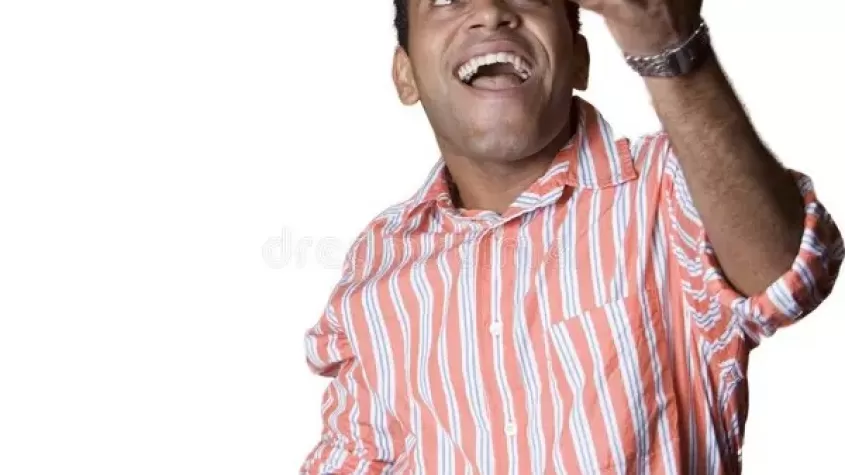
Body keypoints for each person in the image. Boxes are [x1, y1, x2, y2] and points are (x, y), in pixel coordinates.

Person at [300, 0, 842, 473]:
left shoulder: (668, 185)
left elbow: (787, 274)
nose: (491, 11)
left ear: (580, 59)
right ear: (406, 75)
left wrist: (672, 53)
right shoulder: (381, 257)